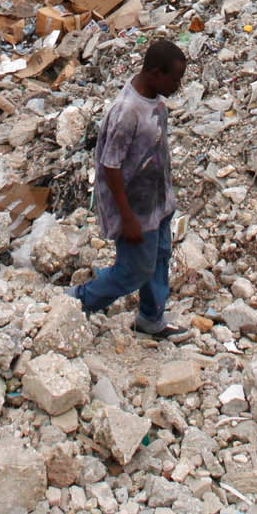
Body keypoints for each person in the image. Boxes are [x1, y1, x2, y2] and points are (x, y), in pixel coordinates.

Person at [71, 38, 189, 337]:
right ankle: (79, 301)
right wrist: (126, 217)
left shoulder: (155, 101)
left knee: (159, 259)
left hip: (157, 202)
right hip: (134, 208)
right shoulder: (127, 111)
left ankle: (151, 319)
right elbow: (110, 166)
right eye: (174, 78)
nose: (178, 85)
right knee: (134, 269)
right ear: (153, 72)